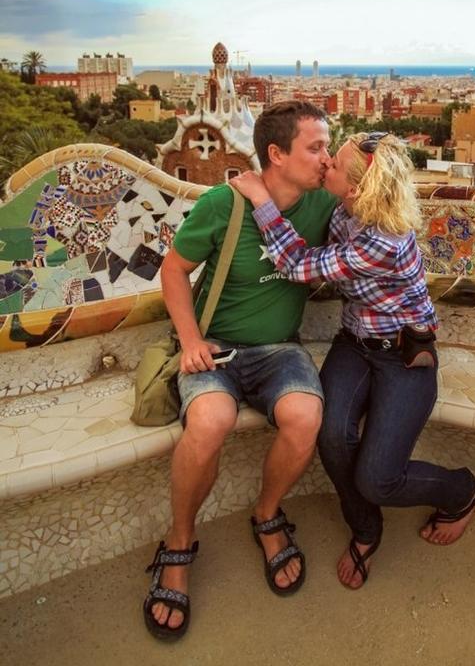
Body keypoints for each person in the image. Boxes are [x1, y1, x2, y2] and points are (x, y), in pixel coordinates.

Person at [231, 132, 475, 590]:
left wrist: (261, 198)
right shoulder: (344, 211)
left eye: (333, 162)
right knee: (331, 436)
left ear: (355, 188)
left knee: (377, 479)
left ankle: (462, 491)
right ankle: (366, 529)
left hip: (402, 357)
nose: (325, 161)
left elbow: (297, 265)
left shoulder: (384, 240)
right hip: (354, 344)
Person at [143, 101, 335, 641]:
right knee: (209, 421)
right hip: (216, 349)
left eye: (327, 147)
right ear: (277, 154)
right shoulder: (223, 204)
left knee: (305, 416)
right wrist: (189, 340)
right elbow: (173, 270)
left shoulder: (322, 202)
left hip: (279, 350)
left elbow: (369, 186)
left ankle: (267, 515)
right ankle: (179, 543)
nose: (325, 158)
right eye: (315, 147)